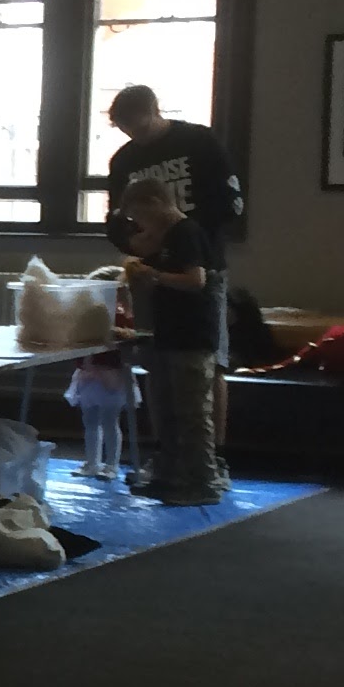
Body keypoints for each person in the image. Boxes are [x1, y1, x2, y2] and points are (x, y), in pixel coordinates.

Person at [102, 83, 242, 443]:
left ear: (155, 111)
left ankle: (214, 454)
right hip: (151, 274)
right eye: (126, 129)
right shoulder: (124, 161)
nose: (134, 136)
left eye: (138, 126)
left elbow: (229, 204)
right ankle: (165, 450)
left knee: (209, 362)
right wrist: (132, 242)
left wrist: (182, 235)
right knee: (156, 360)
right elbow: (115, 219)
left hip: (202, 267)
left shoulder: (198, 142)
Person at [117, 178, 228, 505]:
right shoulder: (164, 238)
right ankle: (169, 476)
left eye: (139, 215)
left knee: (192, 414)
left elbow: (196, 280)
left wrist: (154, 276)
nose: (140, 224)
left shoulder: (186, 232)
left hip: (191, 336)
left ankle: (203, 482)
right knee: (166, 410)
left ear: (154, 203)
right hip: (167, 335)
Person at [67, 343, 136, 480]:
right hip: (88, 372)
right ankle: (92, 463)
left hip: (111, 373)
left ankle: (111, 465)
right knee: (90, 422)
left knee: (110, 421)